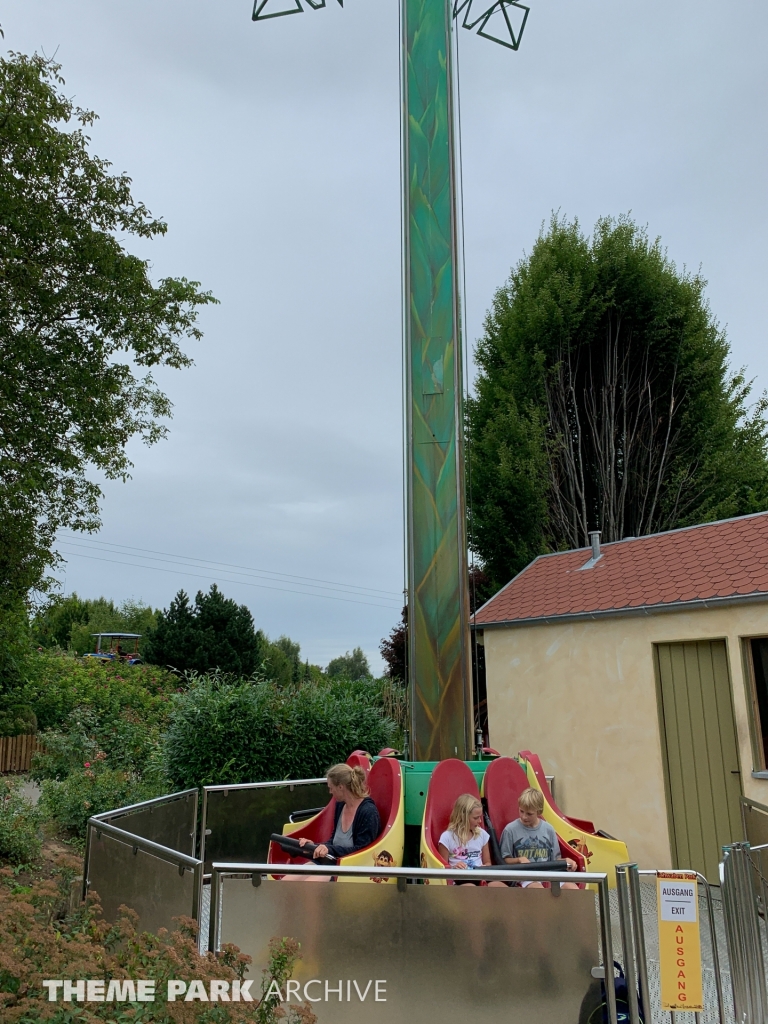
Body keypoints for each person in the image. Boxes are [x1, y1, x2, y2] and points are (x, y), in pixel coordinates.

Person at [296, 763, 381, 866]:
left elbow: (362, 851)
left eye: (331, 788)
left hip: (349, 867)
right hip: (331, 861)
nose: (330, 792)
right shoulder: (340, 805)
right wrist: (314, 846)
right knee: (290, 877)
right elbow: (334, 842)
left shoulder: (368, 812)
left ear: (340, 787)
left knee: (308, 881)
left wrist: (330, 850)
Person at [499, 787, 578, 889]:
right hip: (525, 876)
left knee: (572, 888)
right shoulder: (510, 830)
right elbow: (504, 860)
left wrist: (567, 861)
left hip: (549, 874)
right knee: (538, 889)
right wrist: (519, 860)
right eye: (521, 811)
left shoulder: (548, 829)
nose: (524, 817)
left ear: (539, 811)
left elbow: (555, 859)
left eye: (529, 814)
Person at [438, 793, 506, 886]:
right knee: (470, 887)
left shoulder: (482, 834)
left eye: (480, 817)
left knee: (499, 886)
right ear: (463, 817)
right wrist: (454, 867)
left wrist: (484, 867)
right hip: (459, 879)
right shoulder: (447, 837)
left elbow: (487, 862)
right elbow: (442, 869)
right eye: (476, 818)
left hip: (480, 876)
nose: (480, 821)